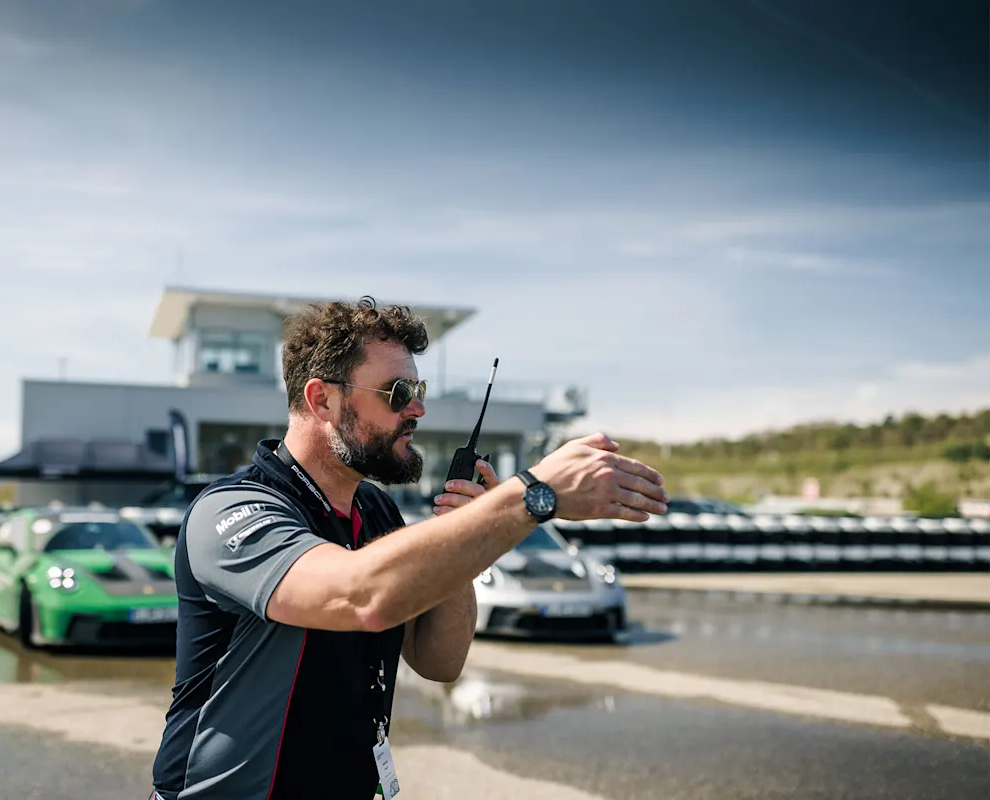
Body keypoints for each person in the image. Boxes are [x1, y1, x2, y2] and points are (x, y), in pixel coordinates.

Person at [149, 296, 669, 800]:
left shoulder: (377, 513)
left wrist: (466, 532)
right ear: (322, 399)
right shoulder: (233, 511)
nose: (418, 408)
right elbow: (359, 595)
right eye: (398, 392)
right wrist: (532, 495)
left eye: (417, 389)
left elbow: (439, 661)